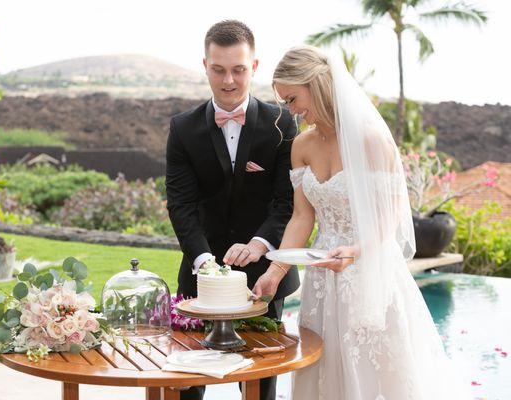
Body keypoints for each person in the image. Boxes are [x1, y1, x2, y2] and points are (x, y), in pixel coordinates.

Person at [252, 45, 468, 399]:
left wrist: (356, 249)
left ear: (316, 84)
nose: (290, 111)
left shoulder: (371, 139)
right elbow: (302, 217)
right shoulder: (301, 145)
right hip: (323, 278)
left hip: (370, 272)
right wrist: (274, 274)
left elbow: (390, 216)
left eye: (292, 99)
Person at [165, 20, 300, 400]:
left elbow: (287, 201)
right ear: (205, 65)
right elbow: (181, 205)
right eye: (219, 69)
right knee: (187, 385)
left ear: (254, 67)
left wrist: (260, 242)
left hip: (264, 279)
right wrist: (205, 261)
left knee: (259, 388)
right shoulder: (182, 129)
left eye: (238, 70)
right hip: (197, 278)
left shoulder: (282, 123)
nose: (229, 81)